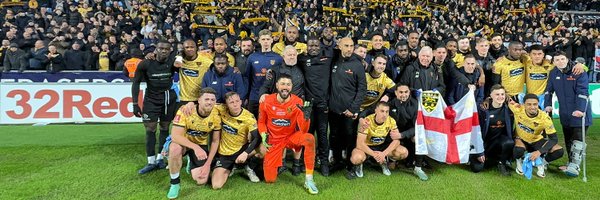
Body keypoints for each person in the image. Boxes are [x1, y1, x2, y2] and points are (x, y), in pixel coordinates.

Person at [258, 74, 318, 194]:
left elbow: (304, 130)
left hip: (290, 137)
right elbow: (261, 122)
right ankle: (270, 164)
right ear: (277, 86)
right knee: (270, 179)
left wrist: (306, 118)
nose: (285, 87)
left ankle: (309, 179)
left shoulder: (297, 101)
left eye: (288, 84)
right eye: (282, 84)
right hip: (274, 140)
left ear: (291, 87)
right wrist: (264, 134)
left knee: (309, 138)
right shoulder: (267, 101)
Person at [131, 40, 177, 174]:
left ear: (170, 50)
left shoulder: (173, 62)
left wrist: (178, 59)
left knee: (164, 127)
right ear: (155, 49)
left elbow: (183, 59)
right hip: (151, 99)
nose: (164, 51)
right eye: (161, 48)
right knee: (150, 128)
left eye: (167, 49)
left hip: (168, 98)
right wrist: (135, 104)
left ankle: (160, 159)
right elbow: (136, 83)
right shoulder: (145, 63)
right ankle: (150, 162)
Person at [166, 88, 221, 199]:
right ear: (199, 100)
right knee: (174, 149)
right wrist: (195, 147)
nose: (209, 102)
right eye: (206, 99)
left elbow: (215, 141)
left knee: (201, 180)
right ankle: (175, 183)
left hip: (201, 145)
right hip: (183, 143)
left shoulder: (217, 114)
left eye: (212, 99)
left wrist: (207, 165)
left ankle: (191, 161)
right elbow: (175, 136)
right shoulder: (185, 110)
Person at [544, 51, 593, 177]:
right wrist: (547, 105)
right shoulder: (553, 73)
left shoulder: (578, 71)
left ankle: (575, 166)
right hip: (564, 113)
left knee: (577, 138)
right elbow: (548, 91)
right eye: (557, 60)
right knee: (568, 139)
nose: (560, 61)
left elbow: (583, 92)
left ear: (567, 59)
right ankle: (570, 162)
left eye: (562, 59)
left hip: (579, 112)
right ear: (553, 62)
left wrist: (580, 109)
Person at [329, 37, 366, 175]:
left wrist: (353, 108)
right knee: (334, 136)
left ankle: (351, 166)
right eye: (346, 45)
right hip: (334, 109)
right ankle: (337, 161)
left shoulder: (357, 65)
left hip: (350, 111)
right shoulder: (333, 60)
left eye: (351, 46)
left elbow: (362, 89)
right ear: (339, 46)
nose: (349, 48)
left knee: (350, 137)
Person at [211, 92, 261, 189]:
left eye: (237, 101)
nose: (235, 104)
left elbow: (257, 138)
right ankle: (231, 166)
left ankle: (249, 167)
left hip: (241, 150)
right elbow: (206, 105)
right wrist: (189, 104)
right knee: (216, 185)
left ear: (241, 102)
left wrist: (246, 153)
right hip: (225, 153)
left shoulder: (248, 117)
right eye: (231, 102)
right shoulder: (221, 108)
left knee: (264, 147)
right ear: (226, 105)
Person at [299, 36, 333, 176]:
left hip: (323, 103)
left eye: (316, 46)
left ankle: (324, 162)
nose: (313, 48)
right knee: (308, 134)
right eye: (310, 46)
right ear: (306, 47)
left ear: (320, 47)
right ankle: (306, 161)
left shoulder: (329, 58)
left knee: (323, 134)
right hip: (308, 104)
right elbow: (287, 59)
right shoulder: (302, 59)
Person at [348, 102, 408, 179]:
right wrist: (375, 155)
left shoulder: (391, 120)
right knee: (356, 158)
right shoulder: (366, 121)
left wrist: (383, 154)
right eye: (382, 111)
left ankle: (385, 161)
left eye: (387, 112)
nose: (385, 114)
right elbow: (359, 144)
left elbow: (397, 141)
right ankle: (359, 165)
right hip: (367, 147)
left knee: (403, 152)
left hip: (381, 146)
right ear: (376, 111)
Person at [510, 94, 564, 178]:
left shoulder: (545, 118)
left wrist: (539, 152)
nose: (532, 107)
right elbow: (505, 99)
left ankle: (542, 162)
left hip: (536, 140)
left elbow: (554, 139)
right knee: (518, 150)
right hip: (521, 139)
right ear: (523, 104)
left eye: (535, 104)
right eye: (529, 104)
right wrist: (488, 100)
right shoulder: (517, 109)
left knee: (559, 151)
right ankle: (519, 160)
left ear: (538, 104)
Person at [471, 84, 514, 176]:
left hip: (498, 141)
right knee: (477, 168)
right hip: (483, 143)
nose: (500, 97)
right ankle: (487, 158)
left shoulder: (510, 108)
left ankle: (501, 163)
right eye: (497, 94)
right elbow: (475, 132)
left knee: (509, 142)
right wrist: (479, 152)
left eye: (502, 94)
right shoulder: (483, 109)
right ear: (491, 95)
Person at [245, 29, 283, 117]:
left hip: (272, 97)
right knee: (253, 124)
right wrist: (246, 96)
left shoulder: (278, 58)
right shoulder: (252, 57)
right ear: (259, 41)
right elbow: (247, 77)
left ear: (272, 40)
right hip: (254, 97)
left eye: (267, 39)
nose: (265, 42)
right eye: (263, 39)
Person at [178, 39, 210, 108]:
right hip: (184, 98)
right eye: (187, 47)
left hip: (200, 98)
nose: (189, 49)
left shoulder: (206, 61)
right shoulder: (180, 60)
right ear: (183, 49)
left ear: (196, 48)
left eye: (192, 47)